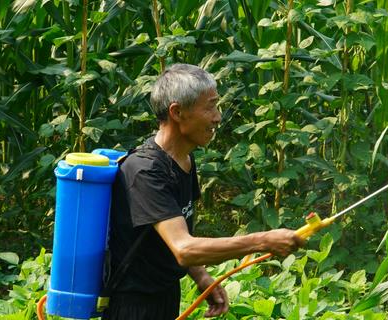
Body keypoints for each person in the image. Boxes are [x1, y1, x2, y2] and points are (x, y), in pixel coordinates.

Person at [103, 63, 305, 320]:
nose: (217, 117)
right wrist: (263, 241)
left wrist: (200, 275)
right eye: (209, 106)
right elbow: (183, 248)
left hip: (165, 294)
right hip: (133, 306)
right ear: (177, 112)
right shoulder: (144, 171)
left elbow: (176, 231)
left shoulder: (183, 160)